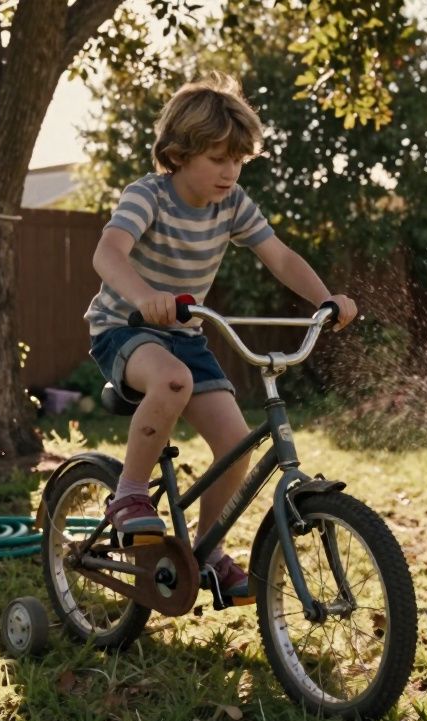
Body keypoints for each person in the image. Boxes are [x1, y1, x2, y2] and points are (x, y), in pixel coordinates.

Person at [84, 75, 358, 605]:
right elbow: (108, 252)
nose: (230, 172)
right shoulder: (149, 195)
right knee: (172, 379)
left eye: (238, 160)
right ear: (177, 154)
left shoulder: (232, 204)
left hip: (184, 335)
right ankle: (129, 495)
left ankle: (206, 551)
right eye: (217, 159)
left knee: (236, 447)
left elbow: (279, 256)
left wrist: (326, 299)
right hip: (125, 327)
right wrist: (145, 296)